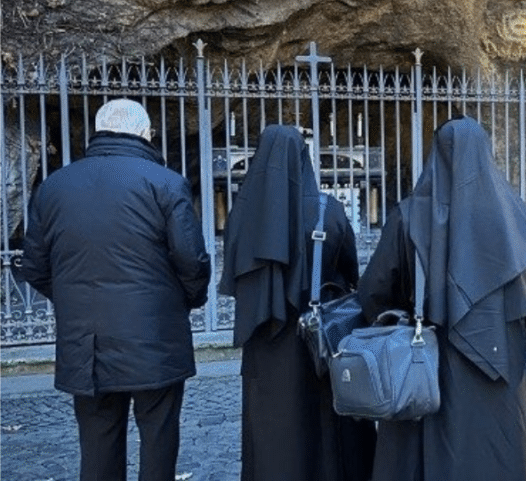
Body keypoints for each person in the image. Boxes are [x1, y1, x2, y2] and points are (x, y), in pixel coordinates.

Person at [19, 98, 211, 481]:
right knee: (158, 437)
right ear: (145, 134)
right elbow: (191, 260)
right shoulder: (167, 183)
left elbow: (34, 266)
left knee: (97, 441)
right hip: (155, 335)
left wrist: (74, 299)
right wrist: (185, 301)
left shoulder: (55, 186)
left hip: (85, 341)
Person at [357, 115, 526, 481]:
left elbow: (375, 293)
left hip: (429, 371)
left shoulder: (409, 217)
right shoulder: (518, 215)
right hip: (501, 367)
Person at [219, 125, 375, 481]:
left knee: (272, 428)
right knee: (325, 421)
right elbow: (351, 271)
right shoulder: (327, 210)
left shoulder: (241, 216)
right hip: (319, 339)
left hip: (264, 341)